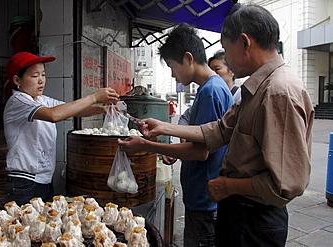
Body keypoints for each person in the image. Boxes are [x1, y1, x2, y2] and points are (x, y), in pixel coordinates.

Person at [119, 4, 314, 247]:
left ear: (244, 42)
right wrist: (163, 127)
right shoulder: (257, 87)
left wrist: (228, 185)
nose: (225, 59)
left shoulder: (278, 92)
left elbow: (286, 185)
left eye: (226, 48)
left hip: (254, 219)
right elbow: (219, 130)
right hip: (238, 211)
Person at [128, 23, 234, 247]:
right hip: (203, 198)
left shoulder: (211, 91)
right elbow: (197, 137)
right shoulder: (211, 87)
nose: (172, 73)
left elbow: (200, 152)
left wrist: (147, 145)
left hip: (206, 201)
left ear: (188, 58)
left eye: (171, 66)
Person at [3, 52, 119, 206]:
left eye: (43, 75)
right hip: (24, 183)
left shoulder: (42, 100)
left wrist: (102, 110)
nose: (41, 80)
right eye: (34, 76)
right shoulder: (18, 101)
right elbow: (54, 115)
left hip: (44, 181)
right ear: (17, 80)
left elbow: (72, 110)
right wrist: (93, 97)